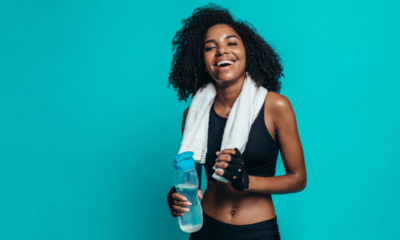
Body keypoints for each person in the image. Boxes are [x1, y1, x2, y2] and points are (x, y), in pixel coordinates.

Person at [167, 4, 306, 240]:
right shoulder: (193, 114)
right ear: (202, 59)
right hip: (205, 229)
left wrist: (246, 181)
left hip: (257, 230)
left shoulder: (276, 106)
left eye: (231, 43)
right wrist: (176, 197)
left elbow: (298, 179)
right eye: (210, 48)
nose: (222, 51)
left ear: (247, 51)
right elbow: (192, 180)